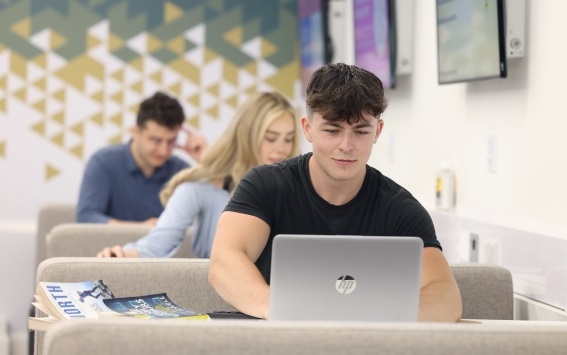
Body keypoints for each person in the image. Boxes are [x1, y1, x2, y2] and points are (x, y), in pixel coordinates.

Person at [208, 63, 463, 322]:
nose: (347, 146)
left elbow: (445, 297)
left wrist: (382, 318)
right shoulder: (265, 185)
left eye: (361, 131)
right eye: (332, 130)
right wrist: (280, 309)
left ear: (378, 131)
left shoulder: (401, 209)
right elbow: (223, 263)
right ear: (307, 128)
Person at [96, 91, 300, 258]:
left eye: (289, 139)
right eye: (271, 138)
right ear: (247, 136)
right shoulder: (200, 189)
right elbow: (157, 244)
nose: (282, 149)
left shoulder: (296, 188)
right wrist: (122, 255)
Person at [77, 91, 207, 225]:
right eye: (156, 140)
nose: (163, 151)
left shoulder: (180, 170)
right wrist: (139, 229)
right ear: (135, 132)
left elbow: (214, 211)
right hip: (112, 245)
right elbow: (87, 217)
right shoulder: (104, 162)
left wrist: (205, 159)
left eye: (171, 142)